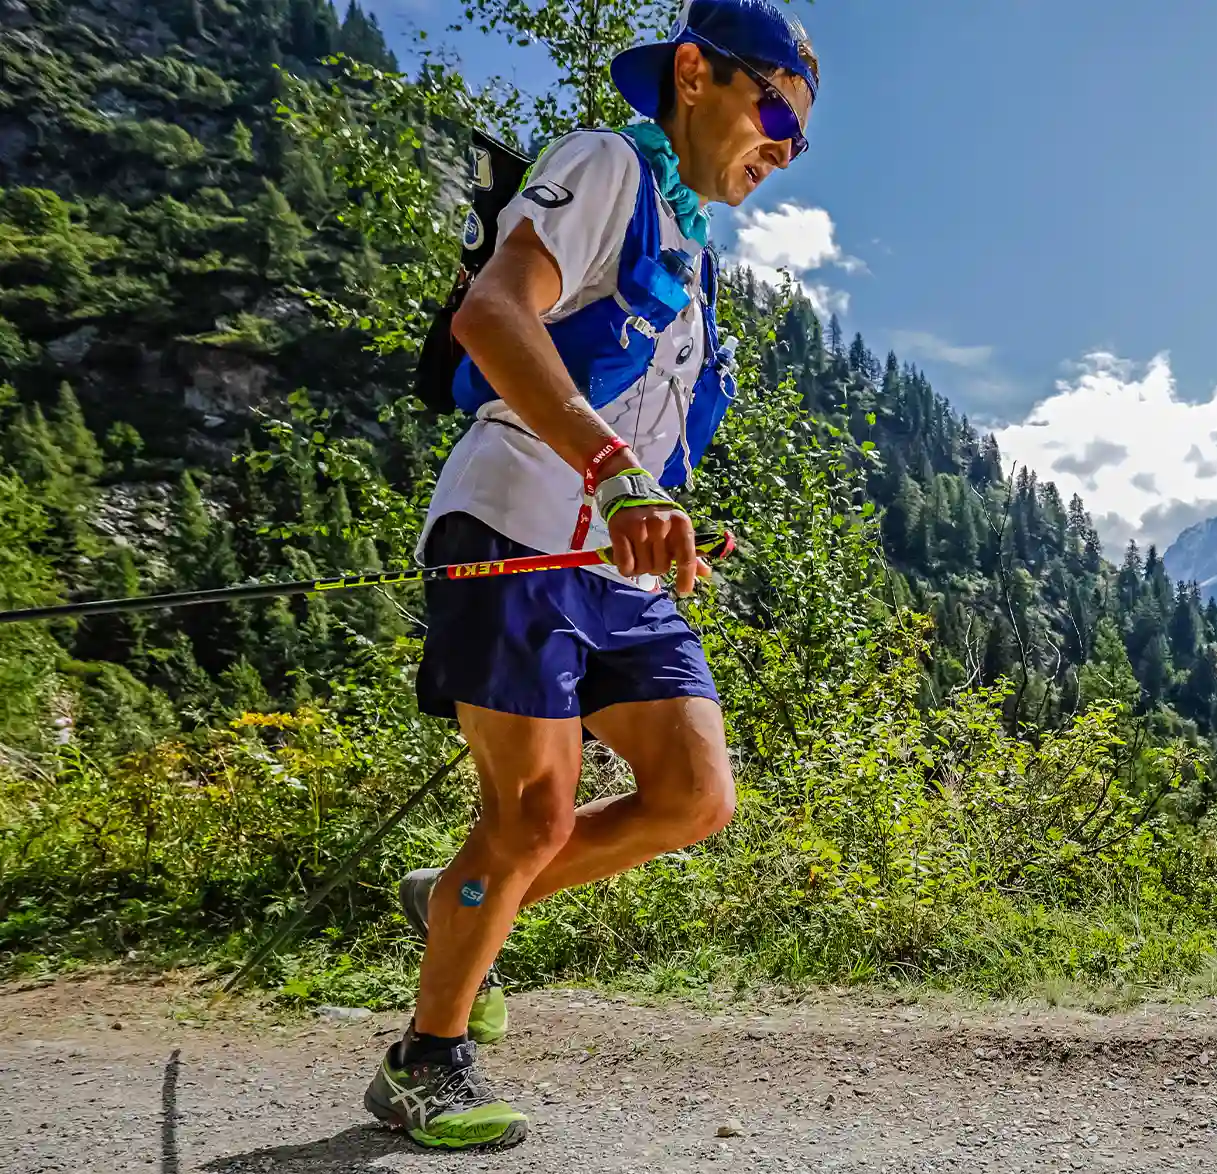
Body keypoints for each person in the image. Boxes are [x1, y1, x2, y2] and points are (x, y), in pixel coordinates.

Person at [363, 0, 818, 1150]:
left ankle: (453, 900)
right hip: (514, 523)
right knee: (529, 813)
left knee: (692, 795)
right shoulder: (606, 165)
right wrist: (617, 475)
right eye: (773, 109)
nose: (779, 145)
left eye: (798, 138)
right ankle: (426, 1058)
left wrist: (664, 510)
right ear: (693, 74)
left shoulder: (692, 249)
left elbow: (640, 420)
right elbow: (492, 314)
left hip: (612, 561)